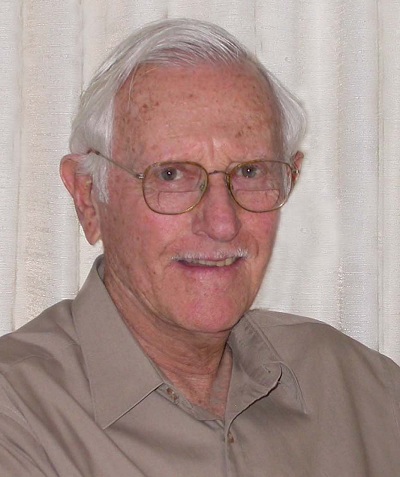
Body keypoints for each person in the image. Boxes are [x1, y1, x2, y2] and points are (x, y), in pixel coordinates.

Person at [0, 18, 399, 477]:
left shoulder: (366, 395)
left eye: (250, 172)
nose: (223, 223)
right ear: (89, 198)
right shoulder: (19, 417)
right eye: (171, 175)